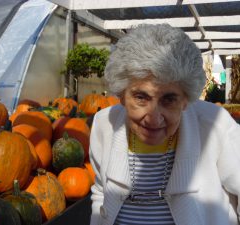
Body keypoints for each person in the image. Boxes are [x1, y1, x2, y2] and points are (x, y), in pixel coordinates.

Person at [89, 23, 240, 225]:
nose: (153, 118)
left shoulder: (215, 124)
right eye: (141, 97)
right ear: (121, 95)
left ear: (186, 99)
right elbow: (101, 191)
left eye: (169, 99)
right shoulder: (103, 125)